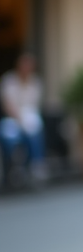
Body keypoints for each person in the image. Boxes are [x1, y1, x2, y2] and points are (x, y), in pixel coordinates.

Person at [0, 52, 47, 184]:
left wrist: (26, 119)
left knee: (34, 131)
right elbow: (7, 104)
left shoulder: (36, 82)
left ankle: (36, 165)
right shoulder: (9, 80)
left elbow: (34, 105)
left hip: (28, 118)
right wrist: (18, 118)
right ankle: (16, 166)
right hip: (11, 119)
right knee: (10, 137)